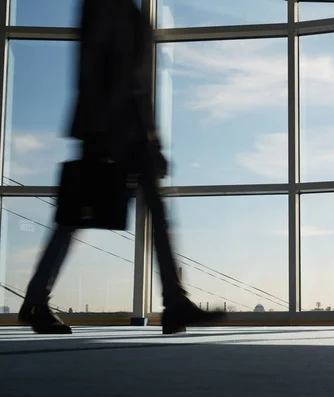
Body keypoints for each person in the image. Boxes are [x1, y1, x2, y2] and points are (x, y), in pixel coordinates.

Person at [18, 0, 225, 335]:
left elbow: (123, 74)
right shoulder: (110, 6)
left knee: (80, 216)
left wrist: (147, 137)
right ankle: (173, 302)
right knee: (79, 216)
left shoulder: (118, 7)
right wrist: (110, 132)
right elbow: (105, 69)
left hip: (123, 130)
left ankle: (173, 301)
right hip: (115, 130)